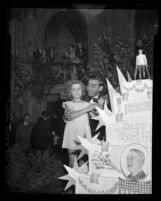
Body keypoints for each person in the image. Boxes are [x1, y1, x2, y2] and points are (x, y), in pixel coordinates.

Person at [62, 80, 96, 167]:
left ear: (82, 90)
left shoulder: (87, 104)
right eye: (73, 89)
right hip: (72, 136)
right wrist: (87, 109)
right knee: (73, 164)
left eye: (78, 89)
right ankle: (74, 180)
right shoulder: (67, 104)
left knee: (84, 164)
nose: (77, 91)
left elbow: (95, 117)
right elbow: (69, 116)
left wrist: (99, 108)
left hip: (84, 136)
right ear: (70, 91)